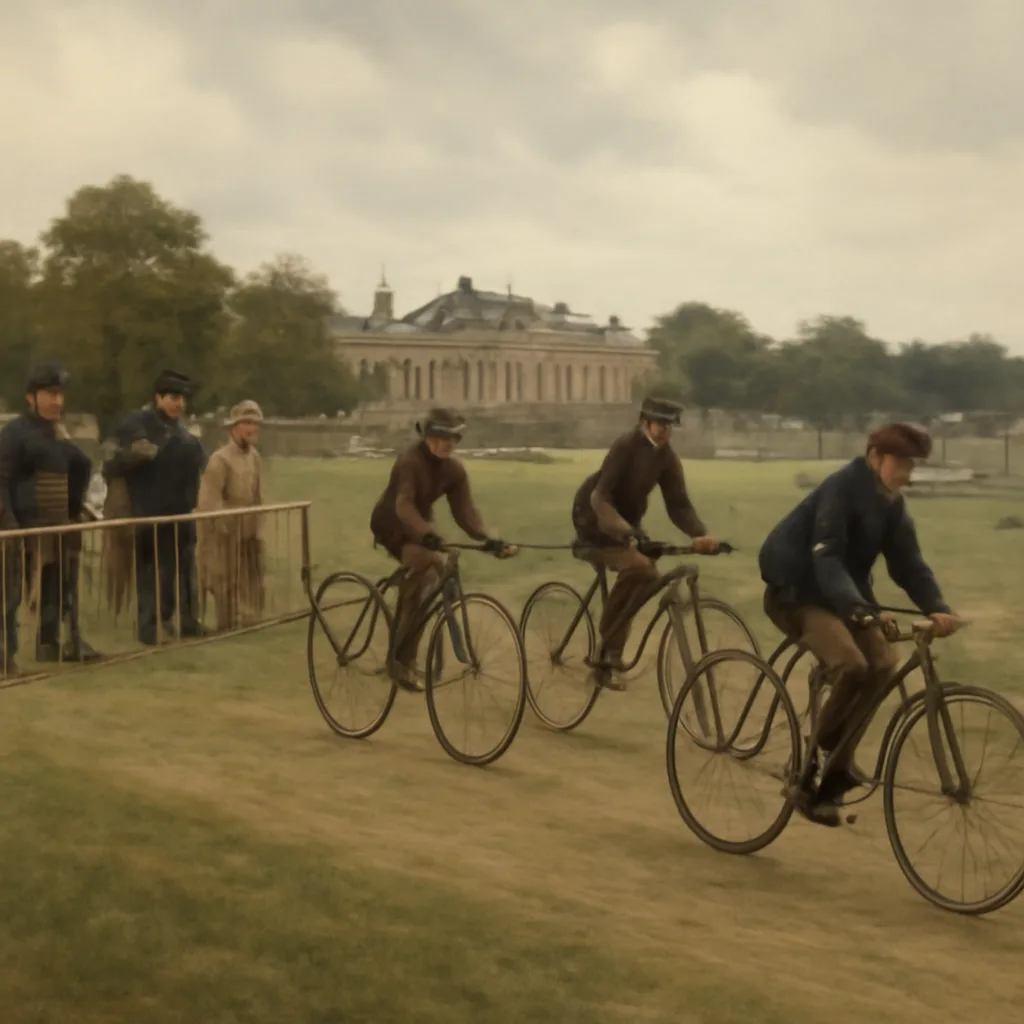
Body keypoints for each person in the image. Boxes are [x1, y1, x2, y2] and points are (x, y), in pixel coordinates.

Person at [759, 422, 961, 827]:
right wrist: (859, 609)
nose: (908, 474)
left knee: (884, 664)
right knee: (852, 664)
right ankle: (809, 766)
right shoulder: (842, 488)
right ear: (874, 457)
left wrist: (937, 608)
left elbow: (909, 565)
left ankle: (836, 764)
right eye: (901, 463)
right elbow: (827, 557)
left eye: (911, 465)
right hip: (797, 594)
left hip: (845, 600)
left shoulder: (891, 504)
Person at [571, 395, 719, 690]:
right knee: (641, 569)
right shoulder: (625, 446)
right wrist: (626, 531)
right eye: (660, 425)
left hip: (628, 526)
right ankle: (608, 645)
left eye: (670, 426)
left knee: (647, 573)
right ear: (644, 423)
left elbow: (678, 504)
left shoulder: (666, 457)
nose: (665, 431)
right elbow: (600, 497)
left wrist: (699, 535)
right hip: (594, 520)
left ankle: (611, 648)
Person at [369, 407, 517, 690]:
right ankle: (399, 662)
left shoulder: (453, 470)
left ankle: (406, 644)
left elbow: (466, 513)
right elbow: (403, 505)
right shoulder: (410, 461)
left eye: (453, 438)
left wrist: (489, 538)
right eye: (441, 437)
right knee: (425, 567)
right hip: (391, 523)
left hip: (419, 524)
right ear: (428, 437)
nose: (448, 444)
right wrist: (427, 534)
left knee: (433, 574)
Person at [0, 363, 101, 676]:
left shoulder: (57, 434)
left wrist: (73, 511)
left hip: (55, 527)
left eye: (59, 395)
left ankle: (50, 643)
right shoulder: (15, 434)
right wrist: (8, 521)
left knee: (57, 589)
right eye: (49, 394)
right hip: (20, 526)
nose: (57, 401)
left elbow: (80, 465)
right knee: (9, 596)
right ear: (31, 397)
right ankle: (4, 655)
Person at [102, 370, 207, 645]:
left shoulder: (185, 434)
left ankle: (187, 621)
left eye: (182, 398)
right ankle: (149, 628)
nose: (179, 403)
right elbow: (110, 462)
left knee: (184, 571)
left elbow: (199, 467)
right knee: (150, 574)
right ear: (158, 397)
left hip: (182, 513)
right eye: (173, 397)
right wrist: (133, 455)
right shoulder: (136, 424)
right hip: (147, 512)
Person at [196, 400, 265, 632]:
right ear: (234, 427)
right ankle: (225, 624)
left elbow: (257, 495)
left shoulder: (255, 457)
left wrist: (257, 527)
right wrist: (221, 525)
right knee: (222, 580)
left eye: (255, 423)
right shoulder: (220, 459)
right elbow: (209, 499)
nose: (252, 428)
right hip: (223, 534)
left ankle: (245, 620)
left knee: (248, 579)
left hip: (247, 532)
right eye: (247, 423)